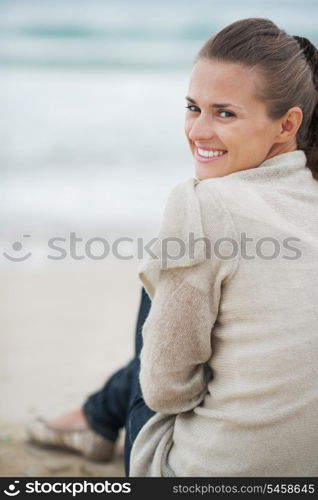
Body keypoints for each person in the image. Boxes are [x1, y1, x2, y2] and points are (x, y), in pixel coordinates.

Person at [28, 18, 318, 476]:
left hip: (195, 476)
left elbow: (165, 392)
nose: (198, 132)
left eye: (225, 113)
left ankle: (95, 418)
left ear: (287, 124)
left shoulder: (203, 203)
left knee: (167, 290)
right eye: (192, 107)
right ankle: (94, 417)